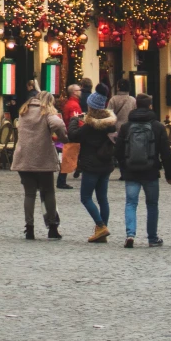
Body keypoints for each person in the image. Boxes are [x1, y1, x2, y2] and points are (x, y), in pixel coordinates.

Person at [114, 92, 171, 247]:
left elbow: (118, 150)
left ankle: (130, 234)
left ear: (135, 105)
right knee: (152, 204)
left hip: (131, 171)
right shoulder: (157, 127)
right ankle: (152, 238)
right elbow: (165, 152)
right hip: (151, 171)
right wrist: (170, 174)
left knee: (131, 203)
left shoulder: (126, 127)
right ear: (150, 106)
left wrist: (124, 167)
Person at [10, 88, 67, 240]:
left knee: (29, 194)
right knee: (48, 192)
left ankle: (29, 229)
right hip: (42, 158)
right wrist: (63, 138)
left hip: (24, 157)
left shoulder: (23, 111)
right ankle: (52, 227)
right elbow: (58, 124)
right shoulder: (46, 112)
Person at [67, 91, 116, 242]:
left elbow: (73, 136)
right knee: (102, 199)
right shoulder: (109, 124)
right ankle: (102, 232)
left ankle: (101, 226)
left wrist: (74, 120)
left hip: (91, 165)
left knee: (86, 197)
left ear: (91, 107)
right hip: (106, 164)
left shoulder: (89, 126)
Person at [108, 79, 137, 181]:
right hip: (130, 128)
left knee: (120, 151)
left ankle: (123, 171)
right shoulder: (133, 100)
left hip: (117, 128)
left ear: (118, 87)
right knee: (128, 150)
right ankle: (129, 170)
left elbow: (109, 114)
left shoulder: (113, 100)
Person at [57, 84, 82, 189]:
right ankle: (61, 181)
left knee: (70, 156)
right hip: (74, 133)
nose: (81, 91)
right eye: (79, 90)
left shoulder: (71, 103)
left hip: (71, 132)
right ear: (74, 92)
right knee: (68, 157)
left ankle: (78, 168)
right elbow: (75, 120)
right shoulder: (74, 105)